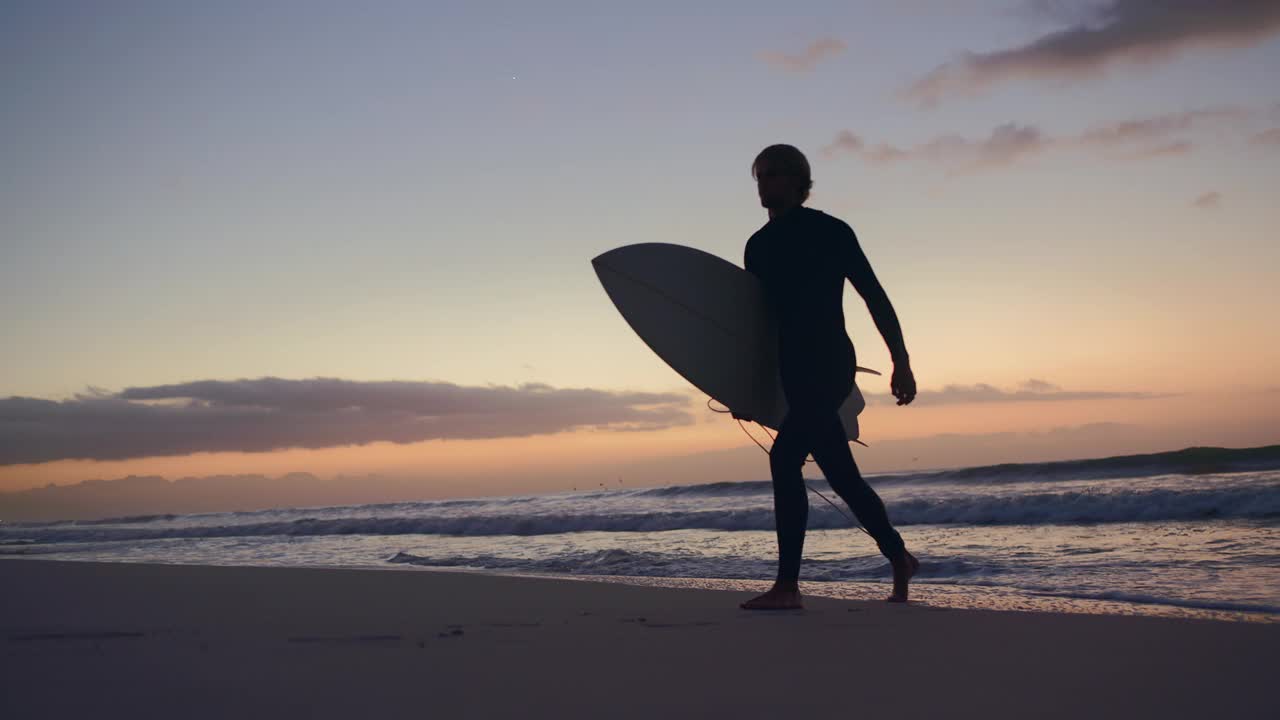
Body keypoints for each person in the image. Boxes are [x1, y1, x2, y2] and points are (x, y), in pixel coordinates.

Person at [737, 144, 919, 610]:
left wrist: (900, 360)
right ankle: (899, 557)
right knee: (842, 475)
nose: (765, 182)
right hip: (793, 369)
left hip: (830, 362)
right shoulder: (757, 247)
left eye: (775, 174)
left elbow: (874, 296)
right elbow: (759, 327)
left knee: (783, 459)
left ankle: (787, 587)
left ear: (801, 181)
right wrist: (742, 387)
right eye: (760, 175)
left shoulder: (830, 232)